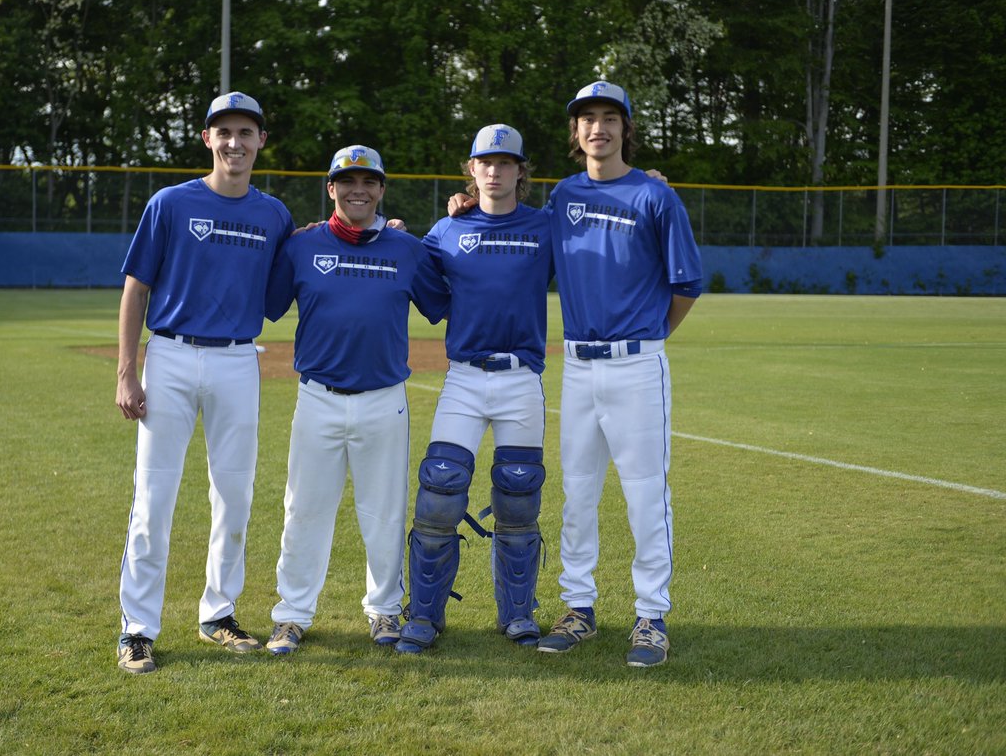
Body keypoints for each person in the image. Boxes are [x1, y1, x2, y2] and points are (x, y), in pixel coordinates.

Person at [114, 91, 295, 674]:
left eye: (246, 132)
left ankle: (218, 614)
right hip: (168, 356)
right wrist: (126, 372)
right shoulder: (170, 203)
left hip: (238, 360)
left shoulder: (274, 214)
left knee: (235, 494)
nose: (235, 143)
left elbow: (288, 284)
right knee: (154, 496)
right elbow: (136, 289)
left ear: (261, 141)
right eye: (225, 132)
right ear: (207, 138)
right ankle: (137, 629)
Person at [533, 80, 702, 667]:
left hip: (637, 366)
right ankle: (578, 608)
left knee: (644, 495)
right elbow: (520, 237)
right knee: (577, 493)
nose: (598, 127)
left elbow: (686, 285)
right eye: (587, 118)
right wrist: (465, 206)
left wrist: (650, 340)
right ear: (576, 132)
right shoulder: (561, 196)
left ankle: (651, 616)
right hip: (577, 367)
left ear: (625, 128)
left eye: (609, 117)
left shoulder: (656, 198)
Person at [262, 145, 449, 655]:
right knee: (304, 510)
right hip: (317, 398)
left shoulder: (405, 249)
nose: (358, 189)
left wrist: (467, 210)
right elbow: (268, 301)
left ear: (382, 190)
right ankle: (292, 615)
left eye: (368, 181)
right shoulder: (302, 247)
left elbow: (445, 298)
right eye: (347, 181)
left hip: (383, 399)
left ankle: (385, 612)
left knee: (384, 512)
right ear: (331, 189)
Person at [396, 125, 554, 654]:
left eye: (506, 162)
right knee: (439, 492)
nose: (495, 170)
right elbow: (430, 296)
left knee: (519, 495)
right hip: (464, 377)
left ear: (519, 172)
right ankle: (423, 615)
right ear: (471, 168)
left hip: (521, 377)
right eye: (485, 162)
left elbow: (599, 247)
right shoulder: (445, 230)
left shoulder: (546, 227)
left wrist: (641, 186)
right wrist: (398, 235)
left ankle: (517, 614)